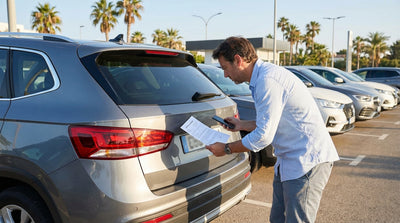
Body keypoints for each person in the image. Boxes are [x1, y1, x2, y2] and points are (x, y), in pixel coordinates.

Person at [206, 36, 339, 223]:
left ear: (238, 60)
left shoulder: (267, 81)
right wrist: (242, 124)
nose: (226, 75)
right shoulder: (261, 78)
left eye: (225, 68)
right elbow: (271, 122)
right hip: (288, 162)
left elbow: (263, 136)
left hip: (306, 162)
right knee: (277, 219)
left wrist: (226, 149)